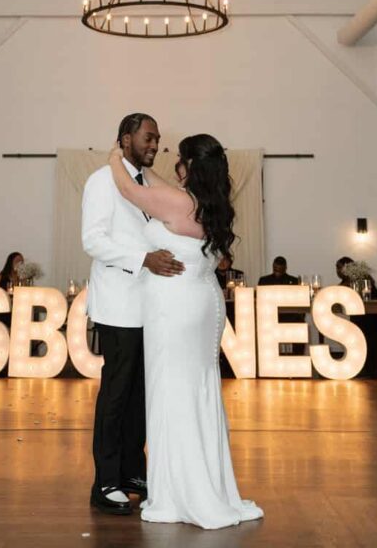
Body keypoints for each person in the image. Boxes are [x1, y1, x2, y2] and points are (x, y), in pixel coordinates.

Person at [109, 133, 264, 530]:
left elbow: (128, 188)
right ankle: (207, 484)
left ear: (191, 166)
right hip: (201, 304)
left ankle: (182, 494)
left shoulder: (180, 203)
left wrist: (116, 154)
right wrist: (145, 166)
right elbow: (154, 182)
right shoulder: (209, 205)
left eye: (179, 160)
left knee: (172, 393)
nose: (174, 166)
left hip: (176, 310)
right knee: (196, 392)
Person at [82, 113, 184, 517]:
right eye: (148, 137)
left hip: (149, 307)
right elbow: (93, 240)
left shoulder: (146, 185)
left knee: (141, 395)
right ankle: (104, 481)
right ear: (125, 139)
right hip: (117, 304)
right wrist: (142, 258)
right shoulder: (100, 181)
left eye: (158, 139)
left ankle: (132, 472)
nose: (155, 145)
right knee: (115, 394)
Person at [335, 257, 377, 376]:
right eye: (336, 268)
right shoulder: (346, 282)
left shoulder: (361, 279)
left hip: (372, 316)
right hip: (362, 315)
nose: (337, 271)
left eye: (339, 267)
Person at [258, 256, 305, 355]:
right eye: (275, 269)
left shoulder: (294, 281)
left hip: (290, 316)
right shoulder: (264, 281)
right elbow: (259, 300)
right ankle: (268, 356)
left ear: (285, 268)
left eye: (280, 269)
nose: (277, 271)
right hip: (269, 316)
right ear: (273, 267)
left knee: (300, 324)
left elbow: (300, 301)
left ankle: (297, 356)